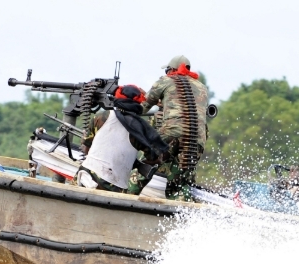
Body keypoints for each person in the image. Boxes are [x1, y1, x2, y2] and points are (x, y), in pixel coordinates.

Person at [138, 55, 210, 201]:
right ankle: (181, 213)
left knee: (144, 167)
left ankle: (124, 198)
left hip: (171, 133)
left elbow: (142, 108)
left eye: (167, 71)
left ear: (171, 70)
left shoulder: (165, 81)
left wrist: (123, 106)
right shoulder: (202, 87)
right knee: (179, 182)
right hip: (196, 139)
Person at [76, 85, 168, 193]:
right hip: (115, 188)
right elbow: (153, 159)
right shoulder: (141, 130)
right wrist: (131, 161)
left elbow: (86, 149)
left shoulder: (101, 116)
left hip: (85, 176)